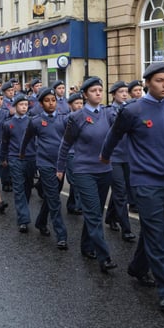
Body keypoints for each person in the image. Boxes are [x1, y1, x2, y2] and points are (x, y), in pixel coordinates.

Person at [102, 62, 164, 314]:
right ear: (147, 83)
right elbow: (113, 135)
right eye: (160, 80)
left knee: (153, 230)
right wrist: (105, 156)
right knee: (157, 235)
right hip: (144, 182)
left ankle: (137, 267)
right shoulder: (133, 110)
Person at [58, 77, 117, 271]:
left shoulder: (108, 114)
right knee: (92, 213)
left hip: (105, 170)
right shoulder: (76, 117)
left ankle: (86, 246)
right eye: (94, 91)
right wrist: (60, 168)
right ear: (85, 95)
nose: (98, 93)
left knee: (96, 212)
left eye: (100, 90)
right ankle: (104, 257)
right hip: (84, 170)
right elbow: (66, 144)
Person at [20, 87, 68, 250]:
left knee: (51, 195)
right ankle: (61, 235)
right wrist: (21, 155)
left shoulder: (64, 119)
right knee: (55, 199)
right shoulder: (35, 121)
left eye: (53, 100)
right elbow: (26, 140)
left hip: (60, 164)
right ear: (41, 104)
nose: (51, 103)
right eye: (47, 101)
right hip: (45, 164)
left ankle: (40, 221)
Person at [103, 80, 136, 242]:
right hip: (114, 157)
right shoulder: (109, 112)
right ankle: (126, 229)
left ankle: (110, 216)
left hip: (128, 156)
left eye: (126, 91)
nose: (124, 94)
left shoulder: (131, 109)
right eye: (121, 91)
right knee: (120, 192)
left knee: (122, 191)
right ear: (114, 95)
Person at [1, 94, 36, 232]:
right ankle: (23, 219)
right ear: (15, 106)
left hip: (31, 158)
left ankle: (24, 209)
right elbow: (4, 143)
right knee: (19, 188)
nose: (24, 107)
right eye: (21, 105)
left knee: (28, 186)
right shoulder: (8, 124)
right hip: (15, 158)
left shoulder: (32, 122)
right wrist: (3, 158)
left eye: (26, 105)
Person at [63, 92, 85, 216]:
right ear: (70, 105)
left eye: (81, 103)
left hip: (81, 153)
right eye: (76, 103)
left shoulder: (86, 117)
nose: (79, 106)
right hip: (70, 153)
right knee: (75, 180)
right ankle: (78, 205)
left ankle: (72, 204)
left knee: (77, 180)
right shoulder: (67, 119)